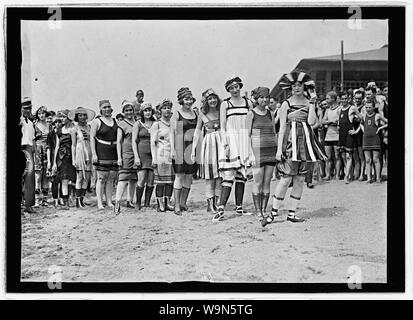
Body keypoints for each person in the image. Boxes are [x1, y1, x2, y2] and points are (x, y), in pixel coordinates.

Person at [263, 71, 327, 226]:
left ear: (304, 86)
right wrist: (279, 150)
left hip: (306, 144)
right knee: (285, 180)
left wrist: (312, 103)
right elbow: (282, 127)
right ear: (290, 87)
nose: (296, 88)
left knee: (299, 179)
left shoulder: (309, 102)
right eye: (294, 85)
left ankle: (292, 213)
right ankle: (273, 214)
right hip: (290, 144)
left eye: (299, 85)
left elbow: (312, 122)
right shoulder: (286, 104)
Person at [213, 76, 254, 222]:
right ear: (228, 90)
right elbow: (223, 125)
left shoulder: (248, 102)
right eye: (231, 88)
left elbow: (252, 121)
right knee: (228, 175)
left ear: (240, 87)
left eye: (236, 87)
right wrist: (225, 142)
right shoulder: (225, 104)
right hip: (231, 140)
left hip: (244, 139)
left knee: (241, 175)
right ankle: (220, 209)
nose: (235, 90)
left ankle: (239, 207)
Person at [246, 86, 276, 221]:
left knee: (267, 181)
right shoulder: (251, 113)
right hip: (257, 151)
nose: (265, 100)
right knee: (257, 182)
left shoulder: (270, 113)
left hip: (271, 151)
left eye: (266, 97)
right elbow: (246, 135)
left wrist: (278, 150)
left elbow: (274, 132)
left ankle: (264, 209)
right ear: (256, 99)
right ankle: (258, 211)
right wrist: (250, 154)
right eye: (262, 97)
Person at [191, 88, 222, 214]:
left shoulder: (222, 111)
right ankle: (210, 204)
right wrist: (193, 149)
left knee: (220, 176)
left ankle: (218, 202)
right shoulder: (202, 114)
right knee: (210, 176)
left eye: (214, 98)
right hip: (209, 145)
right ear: (206, 101)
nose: (213, 101)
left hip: (221, 143)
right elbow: (197, 132)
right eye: (210, 99)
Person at [171, 88, 199, 215]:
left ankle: (183, 202)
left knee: (189, 176)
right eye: (186, 99)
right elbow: (172, 133)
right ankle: (176, 205)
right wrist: (173, 149)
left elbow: (198, 132)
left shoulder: (195, 114)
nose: (189, 102)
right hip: (180, 146)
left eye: (190, 99)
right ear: (181, 100)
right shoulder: (177, 114)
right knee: (179, 175)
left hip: (192, 147)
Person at [90, 100, 119, 210]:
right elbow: (92, 138)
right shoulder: (96, 121)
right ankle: (99, 203)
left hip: (113, 152)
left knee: (111, 177)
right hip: (102, 151)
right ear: (101, 109)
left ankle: (109, 201)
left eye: (109, 107)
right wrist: (94, 154)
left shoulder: (115, 121)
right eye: (104, 107)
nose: (107, 109)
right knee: (101, 178)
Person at [150, 99, 175, 213]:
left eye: (169, 108)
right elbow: (153, 143)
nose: (167, 110)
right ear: (160, 111)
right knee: (160, 182)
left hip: (170, 155)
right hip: (160, 155)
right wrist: (154, 158)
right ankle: (160, 203)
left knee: (170, 181)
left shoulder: (172, 123)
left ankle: (168, 202)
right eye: (164, 108)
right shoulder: (157, 124)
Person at [113, 101, 138, 213]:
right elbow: (118, 142)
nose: (129, 112)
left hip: (137, 154)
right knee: (123, 178)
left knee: (133, 179)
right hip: (126, 154)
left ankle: (130, 200)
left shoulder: (137, 122)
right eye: (126, 110)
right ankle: (117, 202)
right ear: (123, 112)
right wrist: (119, 157)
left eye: (130, 110)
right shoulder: (122, 124)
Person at [69, 107, 96, 208]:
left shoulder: (89, 127)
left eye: (84, 115)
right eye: (80, 115)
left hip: (89, 153)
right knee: (80, 177)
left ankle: (82, 199)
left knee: (87, 178)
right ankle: (77, 201)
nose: (83, 117)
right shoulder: (74, 129)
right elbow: (73, 145)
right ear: (77, 117)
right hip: (80, 153)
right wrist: (74, 159)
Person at [132, 102, 156, 210]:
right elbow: (134, 141)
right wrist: (136, 156)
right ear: (142, 112)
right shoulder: (138, 124)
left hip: (153, 153)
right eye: (145, 110)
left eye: (149, 110)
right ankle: (138, 202)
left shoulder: (155, 123)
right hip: (142, 153)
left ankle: (147, 203)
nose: (148, 113)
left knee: (151, 180)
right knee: (141, 179)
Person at [52, 110, 76, 210]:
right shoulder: (59, 130)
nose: (61, 119)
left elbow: (74, 145)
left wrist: (74, 159)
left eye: (63, 117)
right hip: (61, 157)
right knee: (63, 179)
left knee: (70, 179)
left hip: (70, 156)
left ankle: (70, 199)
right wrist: (54, 162)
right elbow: (57, 146)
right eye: (60, 117)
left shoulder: (72, 130)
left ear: (69, 118)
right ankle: (65, 202)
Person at [361, 101, 388, 183]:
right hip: (366, 139)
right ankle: (369, 178)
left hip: (375, 139)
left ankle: (378, 178)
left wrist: (380, 128)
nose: (368, 109)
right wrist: (363, 130)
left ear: (373, 107)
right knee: (368, 160)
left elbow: (387, 122)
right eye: (366, 107)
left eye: (370, 107)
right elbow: (361, 124)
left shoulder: (377, 116)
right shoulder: (364, 116)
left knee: (376, 159)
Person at [337, 92, 358, 183]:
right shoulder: (339, 109)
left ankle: (346, 176)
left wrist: (356, 131)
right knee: (343, 156)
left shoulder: (352, 108)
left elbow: (362, 119)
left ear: (348, 99)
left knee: (348, 156)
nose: (344, 100)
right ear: (340, 99)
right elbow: (339, 122)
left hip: (349, 135)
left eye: (346, 98)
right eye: (342, 99)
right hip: (341, 135)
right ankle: (349, 173)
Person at [20, 97, 37, 214]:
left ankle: (28, 204)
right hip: (21, 149)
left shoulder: (31, 123)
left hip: (29, 150)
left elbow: (33, 139)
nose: (27, 110)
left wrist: (34, 151)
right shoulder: (19, 121)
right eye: (25, 108)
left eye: (29, 108)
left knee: (30, 178)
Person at [33, 106, 51, 207]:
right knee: (38, 176)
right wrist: (36, 153)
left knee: (46, 175)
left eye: (43, 113)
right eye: (39, 113)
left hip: (47, 150)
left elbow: (50, 141)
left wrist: (49, 159)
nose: (41, 115)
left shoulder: (49, 125)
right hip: (37, 150)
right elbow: (33, 140)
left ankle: (45, 200)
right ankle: (36, 200)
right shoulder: (35, 125)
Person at [322, 91, 341, 180]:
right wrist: (330, 122)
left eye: (328, 98)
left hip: (337, 135)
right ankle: (328, 174)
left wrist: (330, 122)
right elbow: (323, 121)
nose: (326, 100)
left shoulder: (339, 109)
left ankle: (337, 174)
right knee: (328, 157)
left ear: (333, 98)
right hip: (328, 136)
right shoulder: (327, 110)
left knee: (337, 156)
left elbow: (339, 121)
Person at [351, 89, 366, 181]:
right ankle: (357, 173)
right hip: (353, 133)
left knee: (361, 156)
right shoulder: (351, 108)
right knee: (355, 156)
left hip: (360, 133)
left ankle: (362, 174)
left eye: (359, 98)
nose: (357, 100)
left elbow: (362, 120)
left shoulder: (364, 108)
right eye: (356, 98)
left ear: (362, 99)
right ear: (353, 98)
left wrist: (356, 112)